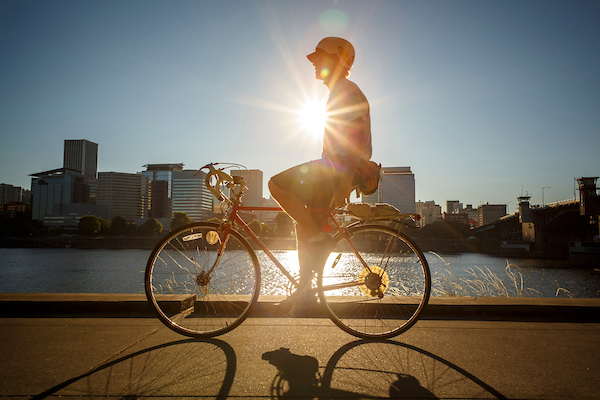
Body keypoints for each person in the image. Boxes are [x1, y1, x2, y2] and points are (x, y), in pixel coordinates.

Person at [268, 37, 372, 314]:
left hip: (337, 168)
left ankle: (317, 239)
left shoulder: (346, 90)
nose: (313, 62)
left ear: (338, 59)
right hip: (334, 167)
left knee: (275, 185)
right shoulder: (338, 91)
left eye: (319, 57)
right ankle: (305, 292)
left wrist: (343, 184)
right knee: (302, 225)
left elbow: (355, 138)